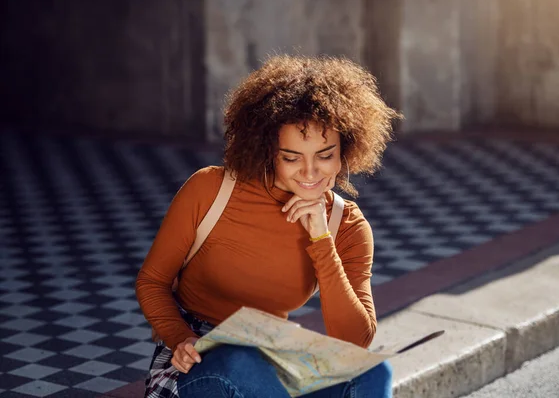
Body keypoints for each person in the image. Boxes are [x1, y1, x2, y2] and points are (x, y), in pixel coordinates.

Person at [136, 54, 400, 398]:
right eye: (291, 157)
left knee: (372, 372)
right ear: (267, 151)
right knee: (240, 364)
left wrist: (321, 237)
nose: (309, 173)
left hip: (270, 356)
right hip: (194, 359)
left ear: (345, 151)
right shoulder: (211, 189)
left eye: (324, 155)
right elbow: (152, 281)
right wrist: (179, 337)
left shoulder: (345, 225)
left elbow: (354, 341)